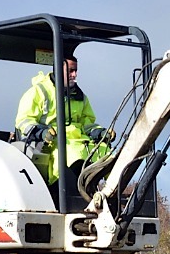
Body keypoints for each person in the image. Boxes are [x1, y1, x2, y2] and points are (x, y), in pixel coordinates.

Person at [15, 55, 114, 189]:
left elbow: (87, 122)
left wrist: (100, 132)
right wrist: (43, 133)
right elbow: (23, 121)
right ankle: (69, 193)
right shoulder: (39, 92)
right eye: (71, 71)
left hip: (79, 139)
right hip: (50, 142)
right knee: (74, 153)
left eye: (76, 71)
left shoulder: (80, 97)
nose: (75, 75)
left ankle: (111, 192)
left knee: (106, 153)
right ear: (58, 70)